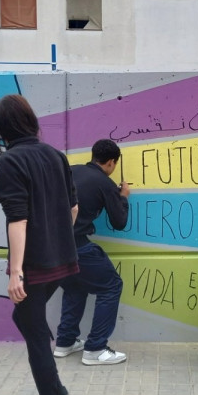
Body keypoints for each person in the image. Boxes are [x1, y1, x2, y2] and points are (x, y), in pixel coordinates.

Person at [0, 94, 78, 395]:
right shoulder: (55, 155)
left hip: (35, 266)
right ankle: (55, 388)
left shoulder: (10, 161)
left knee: (36, 337)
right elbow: (73, 209)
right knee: (29, 321)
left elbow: (18, 220)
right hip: (63, 260)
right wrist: (57, 239)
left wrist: (16, 272)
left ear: (1, 128)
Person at [54, 139, 130, 366]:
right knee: (111, 286)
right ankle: (95, 348)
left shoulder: (70, 171)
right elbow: (119, 222)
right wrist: (122, 197)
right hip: (78, 245)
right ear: (111, 162)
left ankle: (65, 342)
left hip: (54, 247)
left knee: (75, 286)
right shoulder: (104, 183)